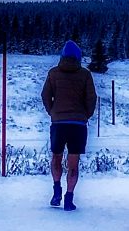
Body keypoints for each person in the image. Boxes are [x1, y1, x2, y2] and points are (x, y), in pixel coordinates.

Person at [41, 40, 97, 211]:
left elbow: (45, 95)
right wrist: (85, 115)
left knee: (56, 157)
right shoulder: (85, 74)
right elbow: (91, 98)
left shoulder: (53, 73)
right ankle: (69, 198)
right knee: (73, 163)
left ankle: (56, 188)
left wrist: (53, 112)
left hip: (58, 123)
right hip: (78, 124)